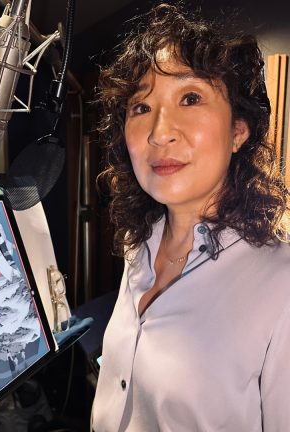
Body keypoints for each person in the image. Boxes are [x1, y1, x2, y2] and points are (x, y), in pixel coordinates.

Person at [92, 4, 290, 431]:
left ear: (238, 130)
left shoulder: (281, 285)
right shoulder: (138, 244)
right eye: (140, 107)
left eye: (191, 98)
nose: (159, 132)